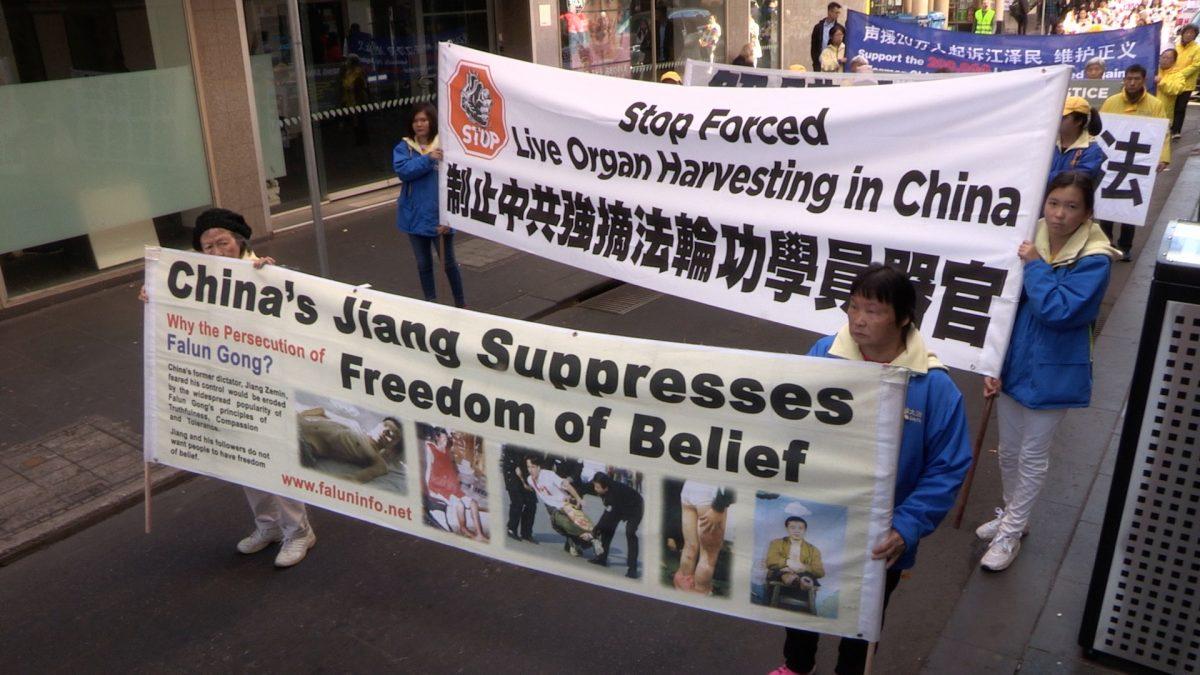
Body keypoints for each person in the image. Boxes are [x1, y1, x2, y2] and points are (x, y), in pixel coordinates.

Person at [771, 265, 972, 675]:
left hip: (884, 533)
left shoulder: (933, 386)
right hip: (821, 515)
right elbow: (790, 423)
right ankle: (795, 666)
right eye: (853, 307)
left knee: (861, 622)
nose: (858, 320)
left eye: (874, 311)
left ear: (902, 318)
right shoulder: (823, 356)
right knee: (801, 605)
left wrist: (907, 526)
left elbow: (947, 467)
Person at [141, 208, 317, 568]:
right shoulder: (195, 276)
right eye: (207, 246)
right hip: (227, 385)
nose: (216, 252)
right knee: (245, 459)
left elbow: (292, 313)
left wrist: (270, 277)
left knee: (275, 458)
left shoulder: (263, 272)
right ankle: (267, 526)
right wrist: (154, 294)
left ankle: (298, 531)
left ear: (239, 242)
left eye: (222, 242)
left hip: (267, 384)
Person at [977, 172, 1119, 571]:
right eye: (1054, 203)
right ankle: (1011, 517)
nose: (1059, 214)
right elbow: (1003, 305)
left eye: (1071, 206)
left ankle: (1010, 534)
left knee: (1033, 455)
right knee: (1008, 452)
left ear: (1088, 213)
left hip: (1055, 370)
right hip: (1014, 364)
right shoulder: (1027, 239)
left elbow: (1059, 310)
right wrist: (993, 361)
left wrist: (1036, 266)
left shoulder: (1095, 259)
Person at [393, 103, 466, 307]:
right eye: (416, 121)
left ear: (432, 121)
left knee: (448, 264)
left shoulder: (446, 146)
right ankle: (431, 303)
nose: (419, 124)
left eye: (423, 120)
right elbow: (403, 171)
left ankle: (461, 303)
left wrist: (450, 219)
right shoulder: (403, 148)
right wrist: (427, 160)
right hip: (413, 218)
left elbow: (457, 182)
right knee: (423, 264)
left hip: (439, 218)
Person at [1099, 64, 1171, 260]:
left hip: (1137, 164)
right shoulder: (1111, 102)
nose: (1131, 83)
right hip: (1113, 162)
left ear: (1144, 80)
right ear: (1124, 80)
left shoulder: (1155, 105)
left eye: (1136, 79)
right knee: (1106, 202)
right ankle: (1106, 244)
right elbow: (1100, 130)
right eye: (1128, 79)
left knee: (1130, 206)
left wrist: (1164, 157)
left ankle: (1125, 246)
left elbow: (1163, 132)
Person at [297, 409, 403, 484]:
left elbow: (354, 479)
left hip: (305, 444)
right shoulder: (353, 425)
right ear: (378, 425)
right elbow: (321, 410)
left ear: (392, 445)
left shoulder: (377, 460)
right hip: (297, 421)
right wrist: (302, 415)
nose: (385, 431)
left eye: (391, 434)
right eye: (385, 426)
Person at [525, 456, 599, 557]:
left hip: (567, 502)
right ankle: (586, 541)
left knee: (582, 522)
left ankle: (588, 540)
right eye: (528, 467)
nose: (530, 470)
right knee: (564, 525)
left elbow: (568, 484)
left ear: (539, 467)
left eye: (533, 467)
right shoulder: (530, 479)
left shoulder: (549, 475)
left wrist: (578, 499)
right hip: (553, 508)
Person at [423, 427, 487, 541]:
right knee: (459, 504)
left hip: (453, 488)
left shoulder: (448, 450)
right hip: (439, 487)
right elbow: (428, 469)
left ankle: (480, 534)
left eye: (446, 436)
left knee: (473, 503)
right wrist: (429, 489)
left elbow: (452, 465)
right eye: (444, 436)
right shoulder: (431, 448)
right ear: (437, 437)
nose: (446, 438)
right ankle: (463, 528)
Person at [674, 481, 734, 594]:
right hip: (711, 493)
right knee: (708, 557)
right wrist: (718, 507)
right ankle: (699, 594)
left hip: (690, 487)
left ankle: (683, 590)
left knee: (690, 546)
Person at [588, 472, 644, 578]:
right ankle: (601, 559)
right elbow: (584, 487)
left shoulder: (613, 495)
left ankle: (632, 569)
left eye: (597, 487)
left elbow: (607, 515)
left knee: (630, 532)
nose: (595, 489)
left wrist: (596, 529)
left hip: (636, 507)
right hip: (619, 506)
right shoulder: (603, 486)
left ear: (606, 488)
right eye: (594, 485)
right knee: (607, 529)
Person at [765, 516, 825, 606]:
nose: (797, 531)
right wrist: (787, 564)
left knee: (806, 575)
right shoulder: (777, 543)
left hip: (803, 578)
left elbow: (820, 572)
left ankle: (803, 580)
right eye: (792, 527)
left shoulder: (813, 550)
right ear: (787, 528)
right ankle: (791, 578)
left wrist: (804, 567)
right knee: (780, 572)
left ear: (805, 530)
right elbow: (770, 561)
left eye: (800, 528)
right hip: (780, 575)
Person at [1049, 96, 1105, 186]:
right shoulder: (1048, 143)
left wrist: (1043, 177)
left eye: (1064, 117)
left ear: (1078, 121)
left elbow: (1076, 180)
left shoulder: (1092, 150)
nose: (1057, 119)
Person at [501, 447, 539, 542]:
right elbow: (517, 468)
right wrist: (523, 483)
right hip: (513, 472)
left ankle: (526, 533)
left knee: (532, 503)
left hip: (526, 472)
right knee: (518, 502)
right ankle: (511, 529)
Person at [1171, 24, 1200, 139]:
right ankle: (1171, 126)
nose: (1188, 35)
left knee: (1180, 107)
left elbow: (1196, 65)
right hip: (1173, 82)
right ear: (1182, 33)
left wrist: (1181, 74)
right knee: (1171, 105)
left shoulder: (1197, 49)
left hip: (1186, 84)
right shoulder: (1177, 47)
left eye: (1192, 33)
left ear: (1195, 36)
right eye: (1187, 32)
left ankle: (1177, 130)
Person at [1156, 48, 1188, 126]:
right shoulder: (1153, 70)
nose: (1164, 60)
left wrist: (1161, 82)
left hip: (1164, 114)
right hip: (1148, 111)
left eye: (1168, 58)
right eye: (1163, 57)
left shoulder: (1178, 75)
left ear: (1174, 61)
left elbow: (1177, 89)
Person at [810, 2, 844, 71]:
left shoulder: (839, 28)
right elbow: (814, 47)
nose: (838, 15)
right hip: (820, 64)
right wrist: (816, 61)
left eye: (838, 13)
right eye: (836, 12)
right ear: (829, 12)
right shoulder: (818, 27)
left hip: (834, 64)